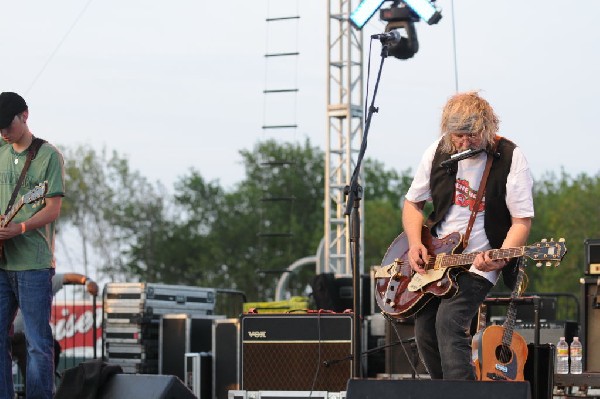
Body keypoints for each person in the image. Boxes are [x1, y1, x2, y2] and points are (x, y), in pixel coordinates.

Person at [402, 91, 534, 380]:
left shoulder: (511, 157)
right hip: (437, 257)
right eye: (457, 136)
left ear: (487, 127)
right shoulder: (437, 151)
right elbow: (413, 203)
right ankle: (444, 391)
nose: (463, 143)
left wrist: (500, 258)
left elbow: (521, 220)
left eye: (471, 136)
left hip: (479, 261)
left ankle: (464, 393)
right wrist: (414, 244)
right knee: (424, 328)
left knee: (449, 322)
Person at [0, 92, 65, 398]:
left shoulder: (47, 155)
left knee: (37, 342)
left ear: (24, 115)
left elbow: (52, 208)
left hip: (34, 264)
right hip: (2, 261)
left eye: (7, 125)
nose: (3, 131)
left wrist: (21, 226)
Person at [11, 273, 99, 391]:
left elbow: (66, 277)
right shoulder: (7, 279)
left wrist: (87, 281)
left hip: (26, 336)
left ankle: (39, 389)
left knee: (46, 345)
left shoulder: (38, 278)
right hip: (9, 335)